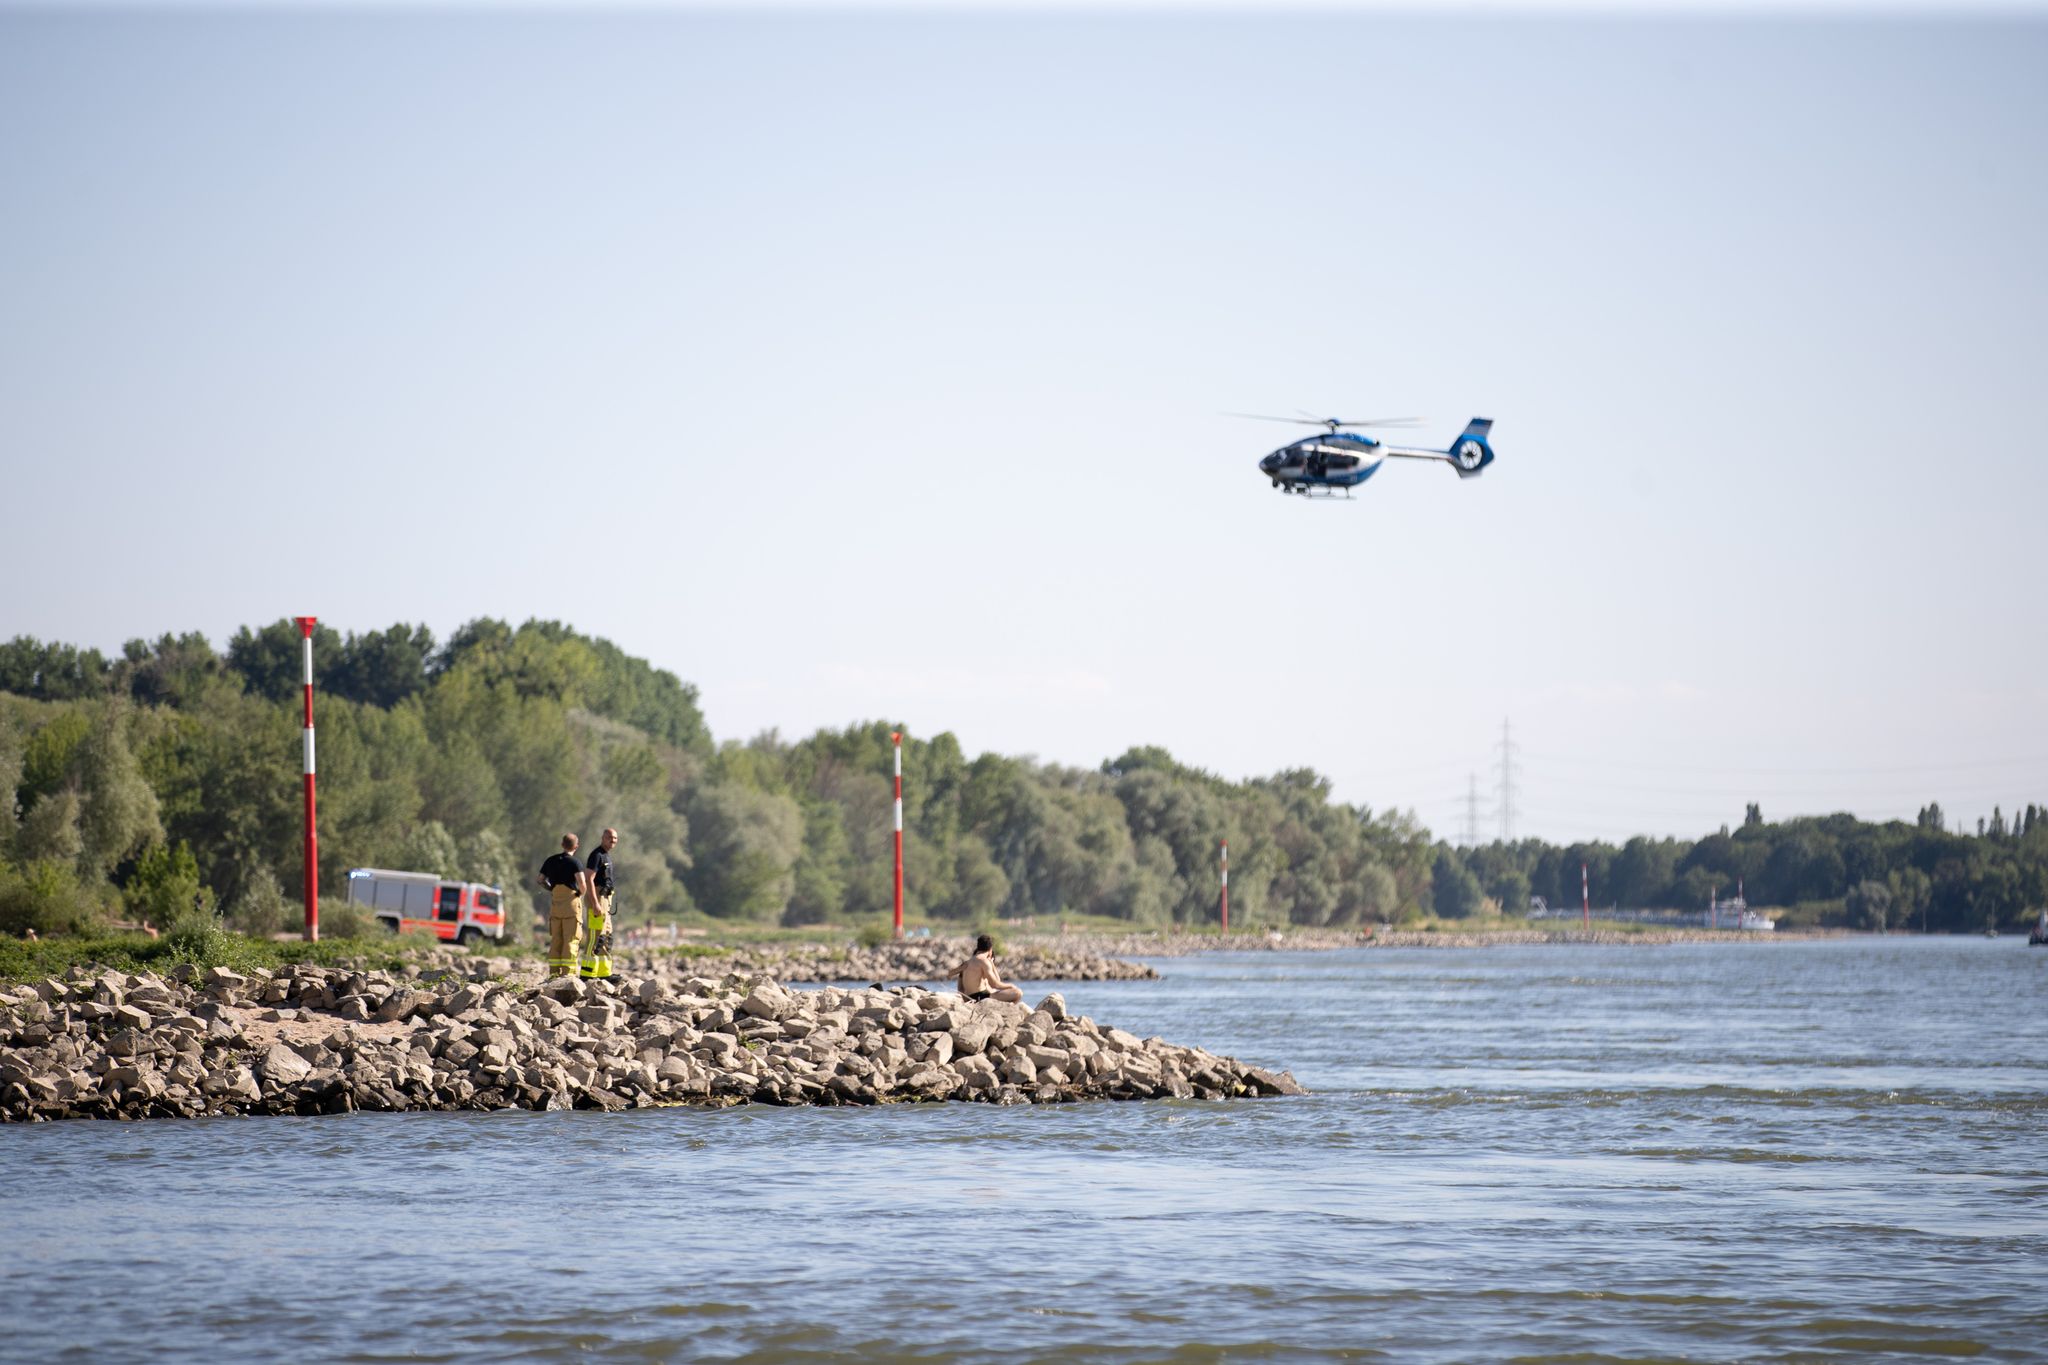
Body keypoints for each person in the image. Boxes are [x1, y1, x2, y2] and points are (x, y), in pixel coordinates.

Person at [538, 834, 586, 978]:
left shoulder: (550, 861)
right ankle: (568, 974)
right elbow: (582, 885)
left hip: (555, 905)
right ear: (576, 846)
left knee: (556, 939)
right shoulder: (575, 863)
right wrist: (579, 894)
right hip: (571, 905)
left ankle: (553, 974)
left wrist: (551, 889)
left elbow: (540, 879)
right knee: (570, 939)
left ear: (562, 844)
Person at [581, 826, 619, 981]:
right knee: (595, 937)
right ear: (603, 838)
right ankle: (586, 974)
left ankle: (604, 973)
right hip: (598, 898)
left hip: (606, 900)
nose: (613, 841)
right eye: (610, 838)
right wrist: (595, 903)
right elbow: (589, 878)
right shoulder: (596, 855)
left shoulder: (606, 856)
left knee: (606, 937)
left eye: (615, 838)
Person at [955, 933, 1024, 1004]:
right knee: (1018, 993)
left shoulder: (967, 963)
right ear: (990, 949)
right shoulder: (983, 962)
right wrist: (1011, 985)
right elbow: (995, 984)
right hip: (980, 997)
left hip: (970, 997)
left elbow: (960, 988)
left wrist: (965, 998)